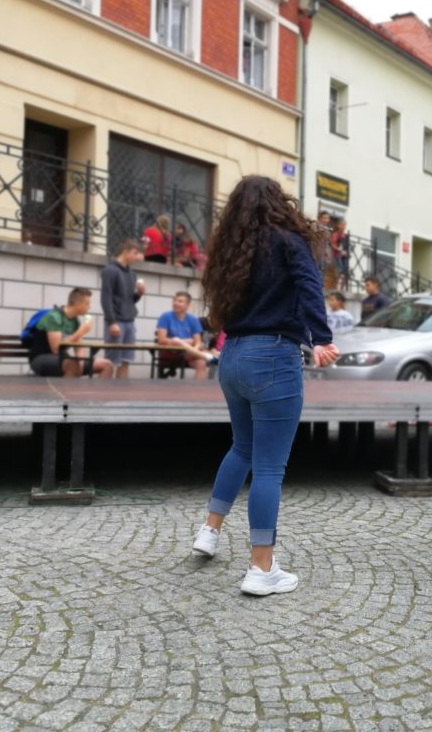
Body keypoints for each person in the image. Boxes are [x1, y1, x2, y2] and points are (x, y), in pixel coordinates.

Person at [190, 175, 339, 596]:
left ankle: (209, 530)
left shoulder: (231, 249)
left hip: (232, 356)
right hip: (272, 356)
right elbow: (310, 285)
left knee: (242, 448)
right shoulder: (289, 240)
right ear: (279, 202)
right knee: (270, 467)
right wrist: (321, 338)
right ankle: (261, 568)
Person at [29, 287, 114, 378]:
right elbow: (56, 349)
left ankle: (94, 388)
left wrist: (81, 363)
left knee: (107, 365)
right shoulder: (54, 317)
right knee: (73, 365)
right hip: (40, 358)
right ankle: (66, 387)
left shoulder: (75, 321)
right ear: (77, 304)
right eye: (87, 304)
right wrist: (81, 331)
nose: (89, 307)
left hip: (63, 359)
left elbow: (79, 348)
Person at [102, 239, 146, 379]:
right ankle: (104, 389)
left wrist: (139, 294)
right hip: (117, 320)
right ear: (125, 252)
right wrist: (111, 322)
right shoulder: (110, 270)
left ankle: (122, 390)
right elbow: (106, 297)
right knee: (110, 361)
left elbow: (129, 300)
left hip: (129, 321)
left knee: (126, 360)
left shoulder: (132, 273)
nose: (137, 257)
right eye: (135, 253)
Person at [156, 291, 219, 380]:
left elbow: (198, 342)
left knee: (201, 363)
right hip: (171, 351)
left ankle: (197, 389)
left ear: (188, 305)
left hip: (189, 354)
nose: (176, 303)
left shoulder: (193, 320)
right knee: (176, 340)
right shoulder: (165, 317)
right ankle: (208, 356)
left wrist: (193, 350)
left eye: (180, 301)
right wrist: (184, 341)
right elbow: (161, 340)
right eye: (175, 300)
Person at [331, 219, 350, 289]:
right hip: (337, 256)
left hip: (344, 256)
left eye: (344, 225)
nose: (343, 226)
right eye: (342, 225)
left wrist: (347, 252)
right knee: (338, 272)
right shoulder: (335, 234)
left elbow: (347, 246)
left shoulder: (346, 236)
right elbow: (332, 244)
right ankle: (336, 287)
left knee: (345, 273)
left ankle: (342, 289)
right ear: (338, 225)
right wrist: (338, 249)